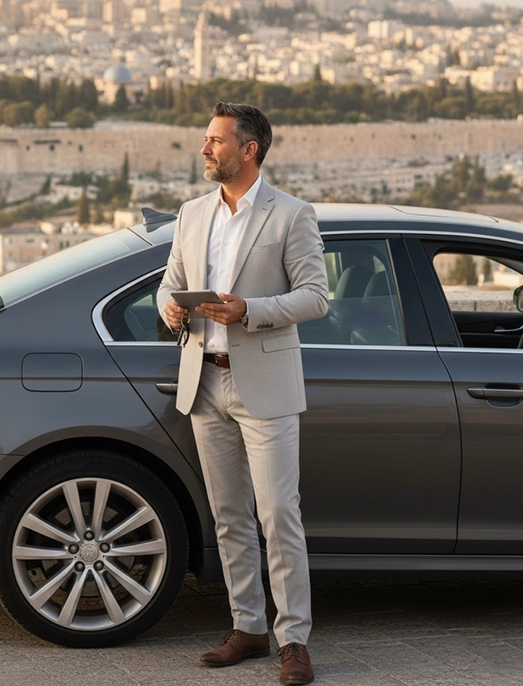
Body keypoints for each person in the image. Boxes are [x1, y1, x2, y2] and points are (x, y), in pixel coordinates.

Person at [157, 102, 328, 685]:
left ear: (249, 150)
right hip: (204, 380)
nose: (205, 149)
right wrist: (172, 308)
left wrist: (249, 310)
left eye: (216, 140)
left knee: (279, 514)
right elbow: (168, 287)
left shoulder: (292, 214)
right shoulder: (191, 214)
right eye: (206, 139)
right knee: (229, 515)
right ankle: (248, 627)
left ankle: (294, 639)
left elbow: (315, 296)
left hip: (265, 384)